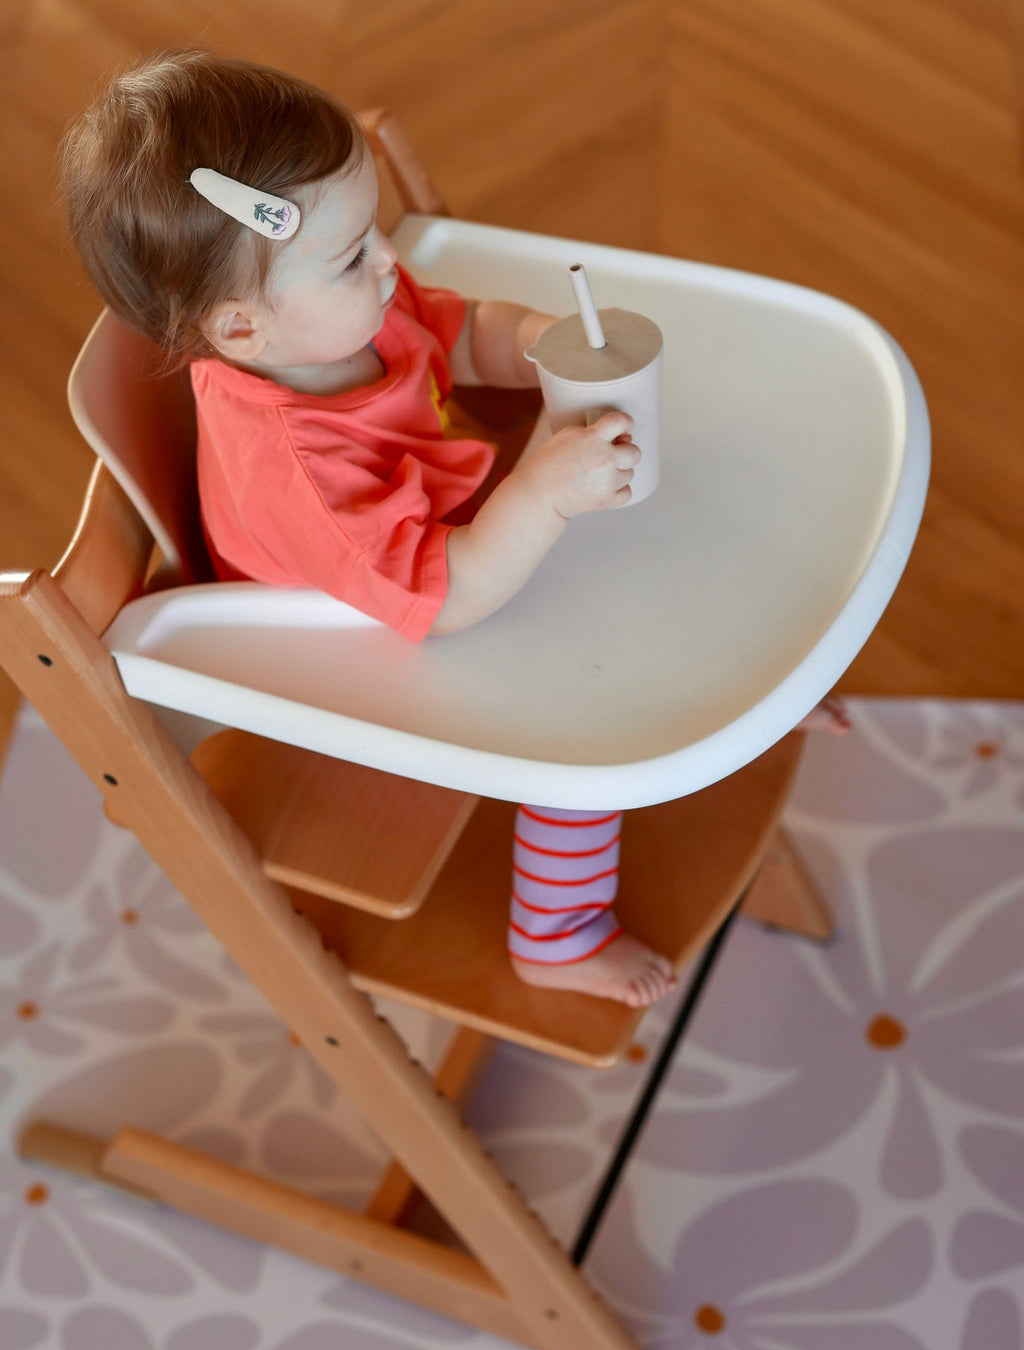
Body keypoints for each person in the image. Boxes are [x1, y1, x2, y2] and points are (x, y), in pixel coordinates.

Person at [61, 49, 843, 1011]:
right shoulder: (300, 472)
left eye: (376, 228)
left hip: (445, 535)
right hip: (370, 634)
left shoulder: (342, 318)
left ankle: (740, 684)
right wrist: (541, 493)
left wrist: (538, 341)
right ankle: (555, 933)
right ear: (240, 334)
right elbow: (457, 597)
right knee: (586, 724)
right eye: (353, 255)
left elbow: (460, 328)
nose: (392, 262)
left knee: (659, 509)